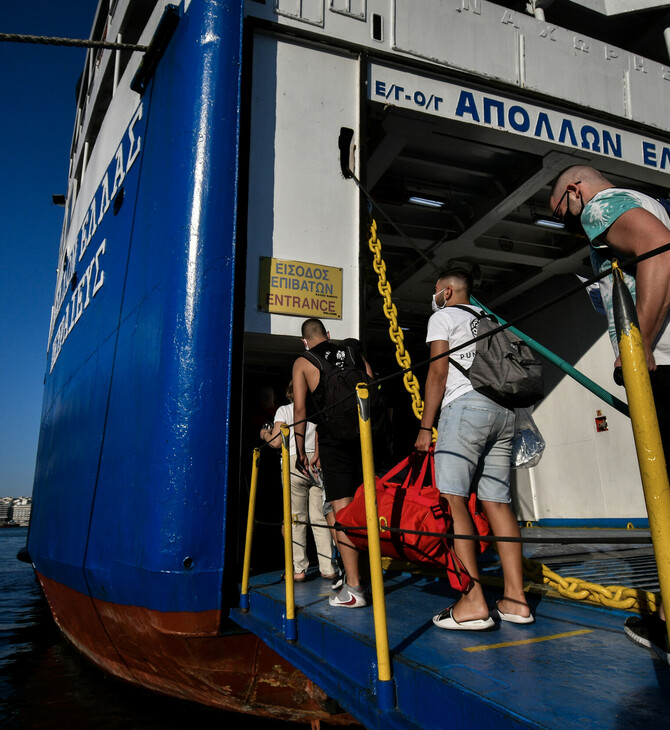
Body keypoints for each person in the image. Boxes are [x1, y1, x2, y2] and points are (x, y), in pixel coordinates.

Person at [550, 165, 670, 662]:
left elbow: (658, 248)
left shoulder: (603, 207)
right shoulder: (647, 199)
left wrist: (637, 342)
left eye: (562, 210)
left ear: (575, 191)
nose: (568, 222)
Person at [414, 268, 532, 630]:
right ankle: (516, 600)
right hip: (503, 412)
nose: (434, 297)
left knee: (453, 499)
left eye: (436, 291)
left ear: (447, 292)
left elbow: (436, 372)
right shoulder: (490, 319)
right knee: (497, 502)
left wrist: (425, 425)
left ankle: (473, 600)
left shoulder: (443, 316)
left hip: (464, 410)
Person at [292, 318, 374, 608]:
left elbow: (300, 408)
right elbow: (371, 384)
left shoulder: (303, 361)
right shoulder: (351, 350)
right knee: (365, 505)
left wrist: (302, 449)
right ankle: (367, 575)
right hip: (363, 436)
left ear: (305, 340)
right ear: (327, 335)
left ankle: (353, 587)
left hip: (333, 441)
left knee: (342, 510)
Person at [260, 381, 336, 581]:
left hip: (294, 461)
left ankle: (299, 569)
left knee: (296, 519)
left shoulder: (284, 410)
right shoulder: (317, 410)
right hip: (315, 462)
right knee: (320, 518)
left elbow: (276, 442)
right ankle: (328, 567)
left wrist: (264, 434)